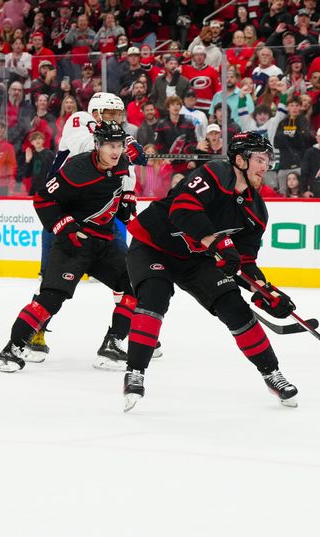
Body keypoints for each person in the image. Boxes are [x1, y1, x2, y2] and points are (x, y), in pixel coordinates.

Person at [122, 132, 298, 412]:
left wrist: (265, 290)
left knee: (234, 306)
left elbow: (245, 261)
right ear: (240, 160)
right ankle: (135, 372)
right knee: (154, 297)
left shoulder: (257, 211)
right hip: (154, 244)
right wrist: (220, 243)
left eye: (268, 161)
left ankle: (271, 374)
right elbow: (182, 209)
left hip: (196, 259)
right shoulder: (216, 173)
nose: (266, 167)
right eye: (260, 159)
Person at [0, 122, 137, 373]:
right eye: (110, 146)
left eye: (119, 145)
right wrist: (65, 227)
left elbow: (120, 187)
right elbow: (43, 199)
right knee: (50, 300)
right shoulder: (77, 169)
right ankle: (11, 349)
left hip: (104, 243)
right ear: (97, 145)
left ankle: (112, 344)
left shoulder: (122, 162)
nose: (116, 151)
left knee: (137, 284)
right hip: (74, 243)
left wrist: (126, 200)